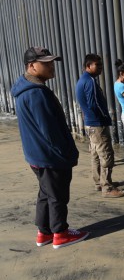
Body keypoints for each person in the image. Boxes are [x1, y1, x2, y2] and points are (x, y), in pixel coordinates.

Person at [11, 47, 89, 249]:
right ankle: (60, 233)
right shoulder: (36, 94)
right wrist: (68, 154)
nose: (51, 66)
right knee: (57, 196)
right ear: (31, 66)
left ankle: (44, 233)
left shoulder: (24, 89)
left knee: (45, 194)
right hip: (49, 156)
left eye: (51, 62)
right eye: (46, 63)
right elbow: (51, 132)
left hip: (36, 155)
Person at [76, 54, 124, 198]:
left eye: (101, 65)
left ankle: (99, 182)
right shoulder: (90, 82)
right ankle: (108, 188)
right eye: (97, 65)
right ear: (88, 66)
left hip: (90, 123)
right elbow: (94, 104)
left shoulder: (82, 81)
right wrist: (105, 117)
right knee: (106, 155)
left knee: (96, 154)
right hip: (98, 124)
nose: (100, 68)